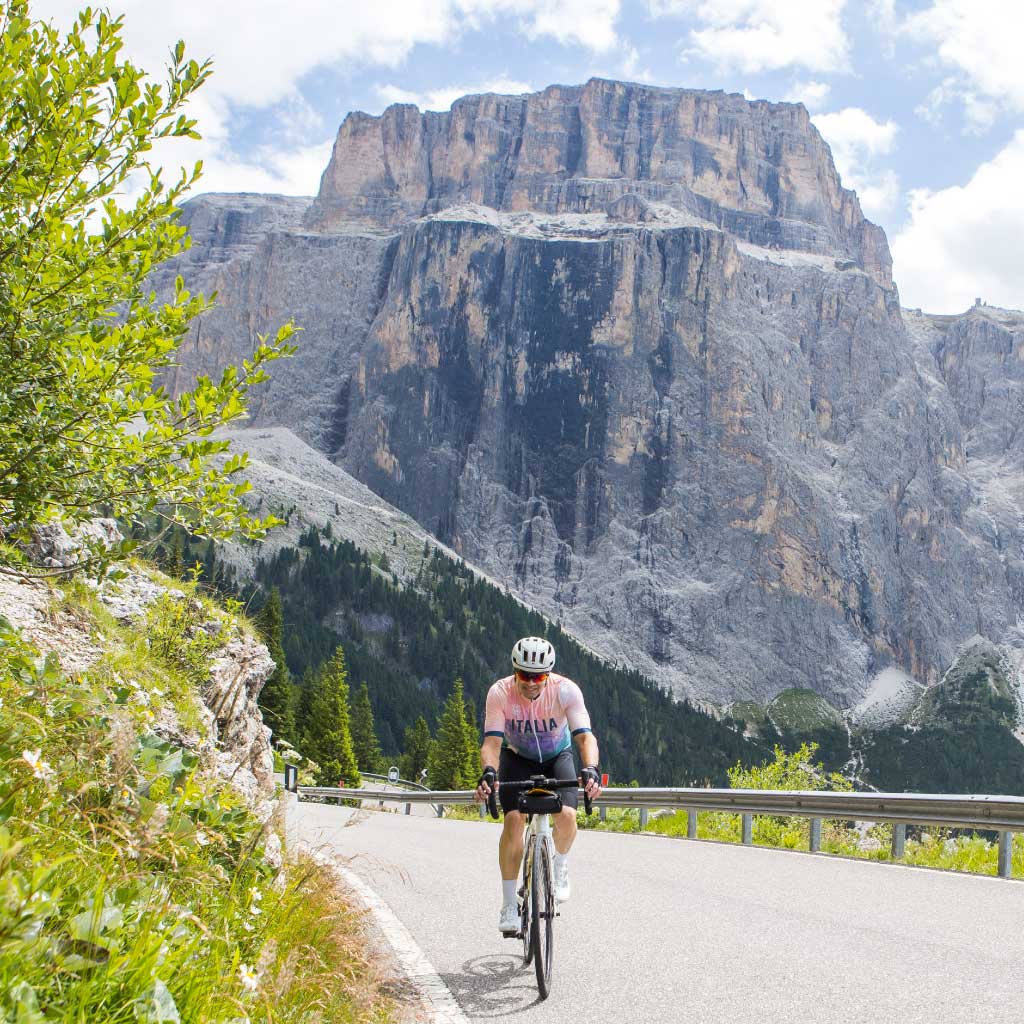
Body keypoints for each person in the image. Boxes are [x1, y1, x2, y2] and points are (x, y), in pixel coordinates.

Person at [474, 636, 603, 935]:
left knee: (568, 816)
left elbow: (585, 736)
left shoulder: (566, 691)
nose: (531, 682)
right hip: (518, 758)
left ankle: (560, 865)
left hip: (557, 756)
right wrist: (490, 772)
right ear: (514, 671)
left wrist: (591, 769)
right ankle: (508, 905)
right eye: (524, 675)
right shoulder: (500, 693)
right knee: (513, 820)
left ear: (549, 674)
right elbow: (492, 742)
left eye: (539, 676)